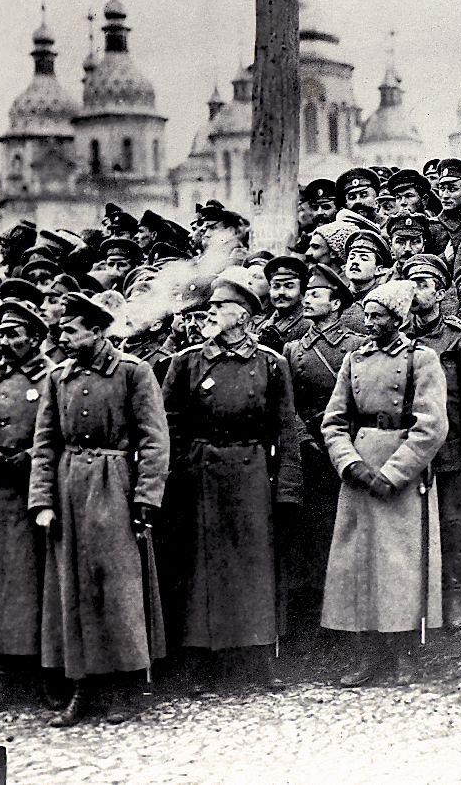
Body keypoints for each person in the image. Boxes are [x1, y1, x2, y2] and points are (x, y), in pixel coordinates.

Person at [28, 292, 170, 726]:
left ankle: (126, 686)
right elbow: (45, 444)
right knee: (72, 589)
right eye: (61, 331)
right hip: (69, 489)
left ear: (96, 330)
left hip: (115, 486)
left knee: (118, 588)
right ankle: (82, 687)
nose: (63, 338)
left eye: (71, 330)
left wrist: (146, 497)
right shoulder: (59, 377)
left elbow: (154, 440)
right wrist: (43, 501)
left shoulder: (133, 371)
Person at [161, 269, 302, 691]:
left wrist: (287, 487)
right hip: (201, 476)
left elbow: (286, 428)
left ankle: (258, 662)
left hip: (252, 474)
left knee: (254, 569)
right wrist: (183, 468)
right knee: (203, 570)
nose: (212, 313)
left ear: (242, 315)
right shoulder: (186, 363)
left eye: (220, 307)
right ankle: (202, 664)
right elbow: (169, 424)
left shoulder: (271, 364)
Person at [320, 280, 448, 687]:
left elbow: (431, 425)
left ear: (400, 318)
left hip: (402, 473)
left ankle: (406, 654)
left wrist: (394, 474)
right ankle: (366, 655)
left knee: (400, 566)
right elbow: (334, 421)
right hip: (359, 470)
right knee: (356, 564)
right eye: (368, 315)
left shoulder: (421, 359)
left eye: (379, 316)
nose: (370, 323)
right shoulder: (354, 360)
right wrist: (349, 464)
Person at [281, 264, 365, 638]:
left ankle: (347, 622)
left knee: (346, 531)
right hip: (311, 453)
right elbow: (288, 405)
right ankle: (314, 622)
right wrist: (305, 441)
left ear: (335, 303)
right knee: (311, 534)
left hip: (346, 447)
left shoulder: (355, 344)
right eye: (308, 294)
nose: (307, 299)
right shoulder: (292, 348)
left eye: (316, 295)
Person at [0, 299, 51, 714]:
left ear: (34, 337)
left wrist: (30, 458)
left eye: (12, 333)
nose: (2, 341)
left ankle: (37, 673)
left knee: (29, 585)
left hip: (32, 493)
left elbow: (61, 431)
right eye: (0, 333)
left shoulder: (51, 378)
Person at [407, 254, 461, 627]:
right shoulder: (401, 338)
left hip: (452, 444)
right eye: (410, 284)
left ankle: (459, 596)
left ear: (440, 292)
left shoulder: (458, 337)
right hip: (410, 444)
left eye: (422, 284)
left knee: (454, 521)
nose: (415, 291)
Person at [258, 255, 310, 352]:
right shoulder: (263, 325)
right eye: (276, 286)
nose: (281, 292)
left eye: (289, 286)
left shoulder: (308, 325)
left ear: (301, 290)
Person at [343, 229, 392, 304]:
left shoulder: (383, 298)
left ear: (378, 270)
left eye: (364, 259)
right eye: (352, 257)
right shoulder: (338, 294)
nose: (355, 262)